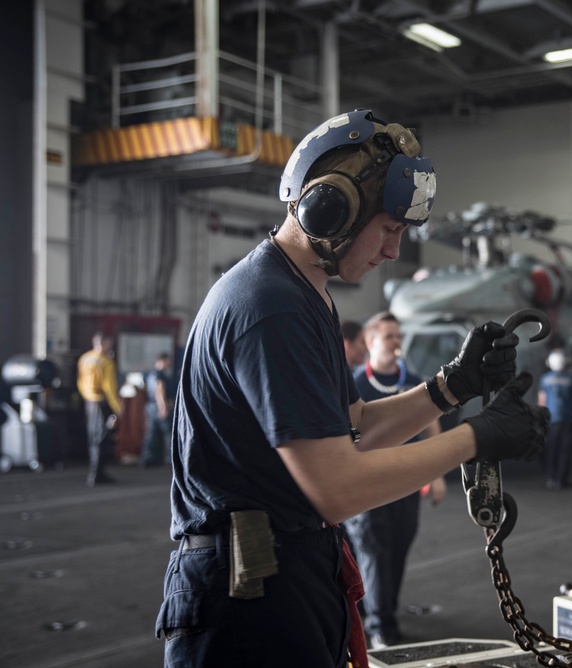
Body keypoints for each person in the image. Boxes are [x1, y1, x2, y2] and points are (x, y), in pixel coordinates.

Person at [155, 109, 550, 668]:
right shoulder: (271, 307)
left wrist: (451, 388)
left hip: (283, 574)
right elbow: (336, 487)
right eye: (389, 229)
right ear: (330, 208)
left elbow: (354, 424)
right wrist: (474, 440)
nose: (393, 251)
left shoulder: (302, 292)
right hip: (247, 600)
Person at [345, 311, 447, 649]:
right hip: (366, 486)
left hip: (406, 484)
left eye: (398, 336)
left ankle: (380, 610)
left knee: (399, 548)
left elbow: (430, 422)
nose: (396, 342)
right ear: (371, 341)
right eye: (389, 336)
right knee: (374, 551)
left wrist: (437, 475)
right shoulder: (355, 384)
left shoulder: (414, 379)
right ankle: (380, 624)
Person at [77, 331, 121, 486]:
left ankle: (95, 472)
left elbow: (80, 382)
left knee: (92, 437)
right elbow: (109, 387)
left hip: (89, 402)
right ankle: (97, 473)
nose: (110, 346)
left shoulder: (85, 359)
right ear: (103, 343)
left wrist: (87, 397)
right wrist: (117, 407)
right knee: (102, 438)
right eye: (109, 343)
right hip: (102, 403)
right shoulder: (105, 362)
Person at [537, 348, 572, 490]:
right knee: (565, 451)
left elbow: (542, 400)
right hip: (568, 419)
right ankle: (561, 480)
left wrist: (540, 418)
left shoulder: (545, 379)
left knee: (551, 450)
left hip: (551, 420)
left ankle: (551, 478)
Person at [141, 352, 177, 468]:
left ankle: (149, 459)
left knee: (152, 433)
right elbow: (159, 392)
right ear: (163, 360)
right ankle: (171, 459)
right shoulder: (160, 375)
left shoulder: (151, 375)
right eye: (168, 361)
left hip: (150, 406)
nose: (169, 364)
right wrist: (163, 407)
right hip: (158, 406)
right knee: (169, 432)